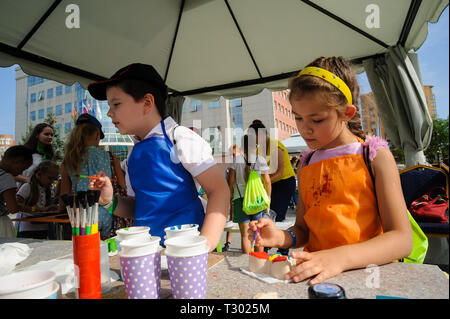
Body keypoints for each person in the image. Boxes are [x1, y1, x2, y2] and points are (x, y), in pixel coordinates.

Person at [249, 56, 412, 285]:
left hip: (367, 277)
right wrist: (281, 237)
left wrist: (338, 258)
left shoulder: (372, 155)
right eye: (298, 117)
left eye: (316, 119)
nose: (305, 129)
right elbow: (303, 230)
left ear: (347, 113)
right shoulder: (307, 163)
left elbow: (402, 240)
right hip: (316, 276)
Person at [86, 63, 229, 250]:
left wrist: (206, 242)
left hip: (186, 249)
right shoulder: (133, 154)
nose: (109, 113)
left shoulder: (180, 138)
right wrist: (109, 202)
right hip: (148, 252)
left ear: (147, 103)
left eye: (116, 104)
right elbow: (140, 207)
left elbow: (219, 190)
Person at [59, 113, 126, 239]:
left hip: (82, 219)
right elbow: (123, 187)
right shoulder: (110, 157)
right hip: (109, 216)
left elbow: (64, 196)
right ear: (97, 135)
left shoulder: (68, 160)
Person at [228, 135, 271, 254]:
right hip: (257, 200)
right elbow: (267, 182)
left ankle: (246, 261)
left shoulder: (236, 160)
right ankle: (259, 260)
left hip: (240, 199)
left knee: (245, 234)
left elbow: (230, 182)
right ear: (255, 146)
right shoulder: (260, 160)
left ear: (242, 146)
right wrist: (268, 199)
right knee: (258, 232)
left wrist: (230, 199)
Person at [249, 120, 296, 223]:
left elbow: (279, 171)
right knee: (267, 215)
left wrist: (264, 181)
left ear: (261, 134)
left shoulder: (275, 145)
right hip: (269, 184)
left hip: (284, 182)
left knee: (277, 216)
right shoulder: (258, 150)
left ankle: (281, 237)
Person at [16, 160, 59, 239]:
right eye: (50, 178)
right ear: (39, 174)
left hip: (44, 228)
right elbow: (16, 205)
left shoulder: (47, 190)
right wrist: (38, 209)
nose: (52, 182)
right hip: (27, 229)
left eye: (54, 179)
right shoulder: (27, 187)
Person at [0, 145, 34, 237]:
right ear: (16, 161)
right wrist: (35, 209)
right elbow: (13, 208)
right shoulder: (6, 177)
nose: (21, 173)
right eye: (23, 168)